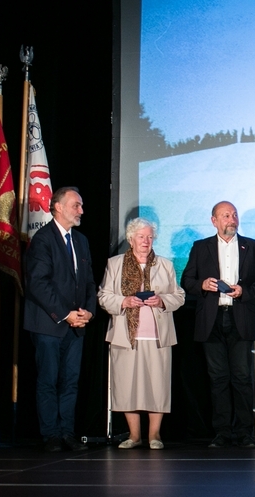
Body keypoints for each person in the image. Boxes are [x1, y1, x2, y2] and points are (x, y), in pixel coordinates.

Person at [181, 201, 255, 448]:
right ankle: (222, 432)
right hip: (211, 319)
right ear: (214, 221)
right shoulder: (201, 247)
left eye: (234, 214)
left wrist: (244, 291)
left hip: (239, 316)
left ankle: (244, 432)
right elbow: (186, 280)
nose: (231, 219)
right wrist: (202, 284)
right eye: (225, 215)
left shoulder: (253, 247)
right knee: (217, 378)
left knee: (241, 377)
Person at [98, 218, 185, 450]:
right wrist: (124, 300)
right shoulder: (115, 264)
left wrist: (162, 300)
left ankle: (154, 435)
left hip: (158, 336)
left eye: (149, 237)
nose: (146, 241)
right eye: (141, 236)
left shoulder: (165, 265)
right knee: (127, 386)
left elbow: (179, 296)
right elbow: (104, 296)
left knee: (157, 386)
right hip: (125, 336)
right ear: (131, 239)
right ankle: (134, 436)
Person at [24, 187, 96, 452]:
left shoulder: (81, 241)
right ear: (58, 207)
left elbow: (88, 282)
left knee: (70, 381)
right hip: (48, 325)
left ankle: (67, 432)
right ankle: (51, 435)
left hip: (76, 326)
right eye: (76, 205)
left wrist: (88, 311)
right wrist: (66, 315)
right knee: (48, 380)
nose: (81, 211)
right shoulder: (43, 239)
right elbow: (38, 284)